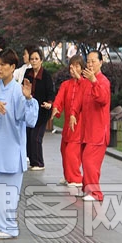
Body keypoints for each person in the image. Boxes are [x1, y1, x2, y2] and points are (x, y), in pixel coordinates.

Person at [0, 48, 38, 239]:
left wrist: (28, 99)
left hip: (11, 150)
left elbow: (29, 120)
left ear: (13, 67)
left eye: (4, 64)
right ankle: (1, 225)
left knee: (6, 194)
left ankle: (9, 228)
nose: (0, 68)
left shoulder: (18, 91)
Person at [69, 50, 110, 201]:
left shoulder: (103, 81)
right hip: (86, 131)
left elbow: (102, 99)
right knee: (86, 160)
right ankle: (88, 189)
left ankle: (95, 193)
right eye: (89, 61)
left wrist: (94, 81)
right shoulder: (86, 82)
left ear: (101, 62)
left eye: (93, 61)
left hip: (98, 132)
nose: (90, 64)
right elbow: (78, 99)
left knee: (89, 161)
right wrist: (73, 113)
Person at [51, 55, 86, 187]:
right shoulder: (66, 84)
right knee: (64, 149)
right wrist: (55, 108)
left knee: (72, 152)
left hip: (79, 125)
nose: (74, 69)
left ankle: (76, 178)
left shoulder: (85, 84)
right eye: (72, 65)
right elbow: (59, 98)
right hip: (67, 125)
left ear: (82, 69)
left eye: (77, 66)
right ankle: (68, 176)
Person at [24, 47, 55, 170]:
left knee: (36, 137)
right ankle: (33, 162)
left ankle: (39, 163)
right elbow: (23, 87)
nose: (34, 61)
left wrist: (50, 103)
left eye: (36, 59)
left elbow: (51, 91)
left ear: (41, 60)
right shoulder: (28, 73)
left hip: (42, 111)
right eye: (32, 59)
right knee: (28, 136)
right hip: (30, 110)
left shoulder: (46, 75)